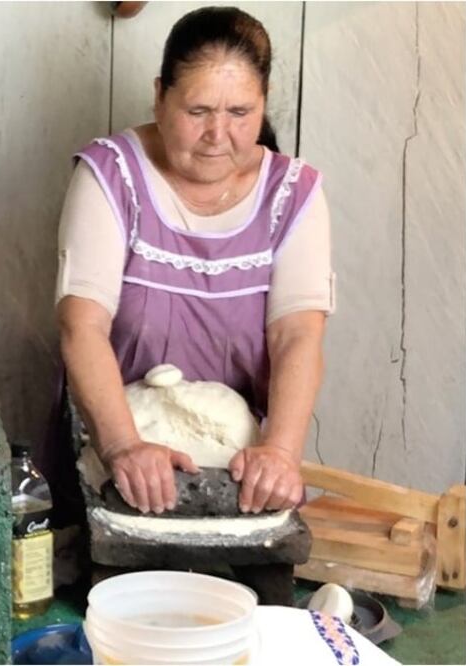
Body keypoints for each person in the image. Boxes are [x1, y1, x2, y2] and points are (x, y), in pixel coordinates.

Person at [57, 8, 333, 522]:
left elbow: (297, 336)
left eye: (240, 112)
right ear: (160, 96)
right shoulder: (111, 174)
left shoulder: (293, 193)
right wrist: (122, 446)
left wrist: (279, 452)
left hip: (237, 465)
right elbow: (82, 326)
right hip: (112, 451)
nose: (217, 134)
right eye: (198, 110)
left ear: (264, 101)